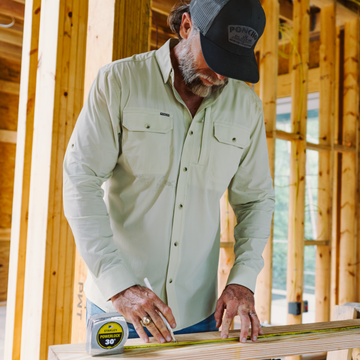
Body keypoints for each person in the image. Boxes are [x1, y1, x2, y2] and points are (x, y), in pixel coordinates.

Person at [63, 0, 275, 346]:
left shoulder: (246, 107)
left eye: (232, 65)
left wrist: (244, 279)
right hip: (121, 309)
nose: (221, 75)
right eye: (216, 57)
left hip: (200, 313)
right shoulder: (119, 82)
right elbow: (80, 180)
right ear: (187, 26)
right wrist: (119, 284)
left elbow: (256, 200)